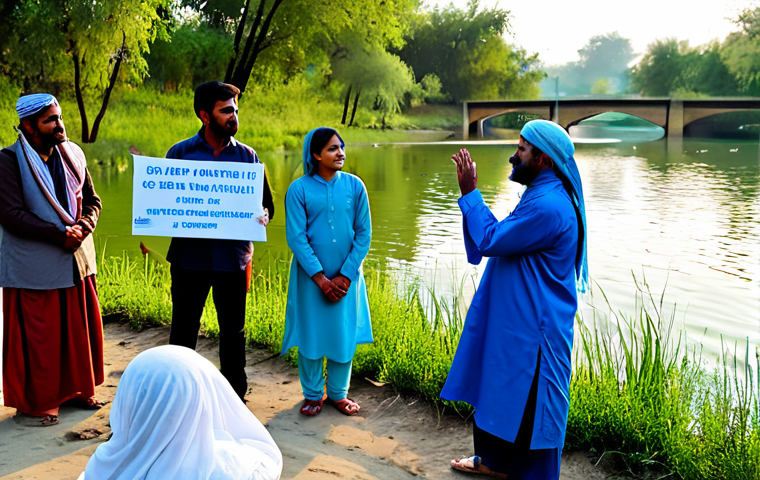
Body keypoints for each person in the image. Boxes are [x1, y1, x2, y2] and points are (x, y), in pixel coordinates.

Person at [442, 119, 588, 479]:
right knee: (499, 393)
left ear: (543, 159)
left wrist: (470, 193)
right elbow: (499, 238)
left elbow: (491, 239)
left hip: (534, 331)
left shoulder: (549, 206)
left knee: (531, 407)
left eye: (521, 149)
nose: (513, 156)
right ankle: (495, 463)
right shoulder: (541, 193)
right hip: (516, 323)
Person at [165, 81, 274, 401]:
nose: (234, 117)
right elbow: (164, 204)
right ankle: (179, 395)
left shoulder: (248, 157)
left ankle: (234, 397)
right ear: (204, 115)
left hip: (233, 260)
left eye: (236, 110)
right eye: (226, 111)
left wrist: (263, 216)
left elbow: (266, 205)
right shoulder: (179, 154)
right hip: (189, 260)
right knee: (183, 330)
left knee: (233, 333)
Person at [0, 93, 104, 427]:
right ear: (29, 126)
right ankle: (40, 402)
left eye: (59, 118)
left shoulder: (74, 154)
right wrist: (60, 234)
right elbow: (10, 214)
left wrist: (84, 226)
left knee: (78, 331)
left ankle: (77, 391)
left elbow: (93, 200)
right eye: (50, 120)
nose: (60, 125)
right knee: (41, 336)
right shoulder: (7, 161)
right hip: (34, 267)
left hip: (77, 260)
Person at [77, 345, 283, 480]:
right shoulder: (234, 467)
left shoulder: (103, 466)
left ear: (128, 398)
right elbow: (266, 465)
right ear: (201, 396)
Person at [282, 127, 372, 417]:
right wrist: (320, 279)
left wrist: (345, 275)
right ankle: (312, 394)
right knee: (311, 333)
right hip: (310, 280)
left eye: (341, 147)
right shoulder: (298, 190)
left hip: (347, 278)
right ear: (316, 154)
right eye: (333, 148)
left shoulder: (355, 186)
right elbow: (297, 238)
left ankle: (338, 394)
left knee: (342, 333)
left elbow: (363, 234)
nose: (341, 153)